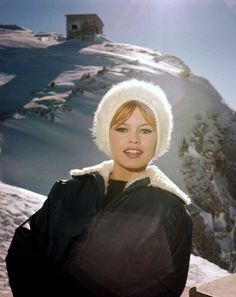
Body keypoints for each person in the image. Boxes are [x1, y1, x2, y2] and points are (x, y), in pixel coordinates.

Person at [6, 79, 192, 297]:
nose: (134, 139)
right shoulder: (68, 190)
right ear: (106, 133)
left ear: (159, 138)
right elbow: (26, 244)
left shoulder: (171, 211)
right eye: (122, 128)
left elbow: (166, 286)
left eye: (145, 130)